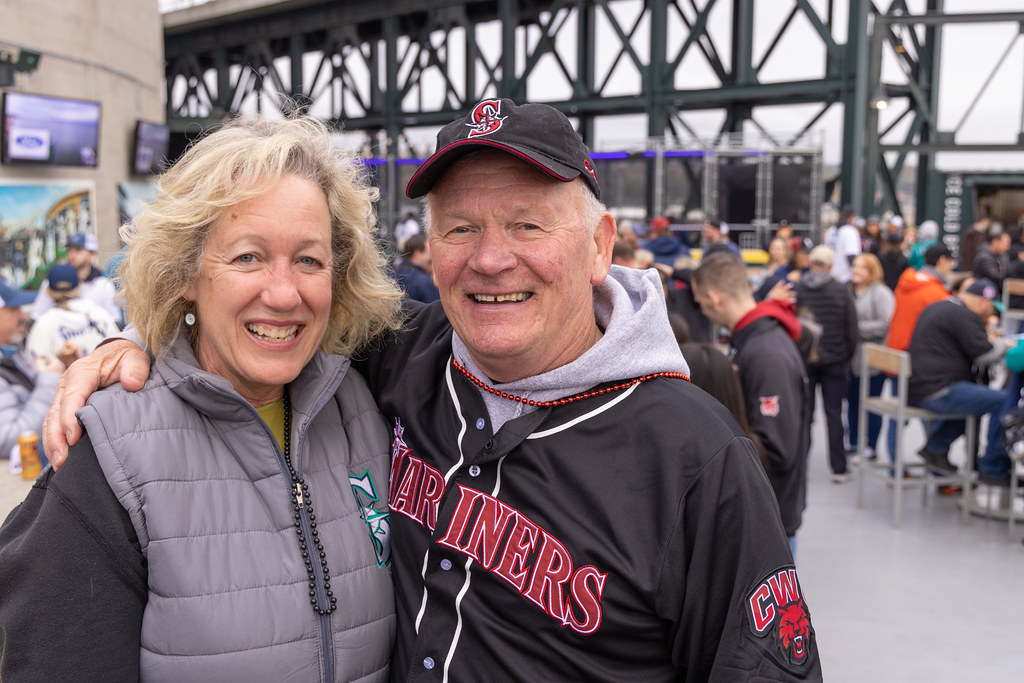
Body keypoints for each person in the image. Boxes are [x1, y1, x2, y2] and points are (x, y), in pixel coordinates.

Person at [43, 99, 821, 680]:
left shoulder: (695, 456)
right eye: (459, 228)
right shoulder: (402, 355)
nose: (491, 258)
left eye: (527, 224)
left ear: (599, 245)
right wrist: (140, 344)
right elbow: (264, 313)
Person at [0, 115, 401, 681]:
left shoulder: (368, 402)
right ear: (186, 272)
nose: (284, 293)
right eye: (248, 257)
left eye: (309, 260)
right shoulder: (108, 457)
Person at [691, 252, 811, 555]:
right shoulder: (751, 342)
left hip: (768, 520)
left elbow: (776, 449)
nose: (703, 311)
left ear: (715, 298)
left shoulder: (766, 354)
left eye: (701, 303)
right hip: (758, 512)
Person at [908, 278, 1015, 485]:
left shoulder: (942, 306)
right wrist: (1005, 344)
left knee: (977, 400)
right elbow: (984, 354)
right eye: (991, 307)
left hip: (920, 386)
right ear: (983, 302)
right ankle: (992, 467)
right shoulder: (963, 315)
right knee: (1004, 401)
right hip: (939, 389)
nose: (991, 313)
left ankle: (936, 448)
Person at [794, 245, 858, 482]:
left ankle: (800, 467)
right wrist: (847, 354)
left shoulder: (799, 288)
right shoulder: (841, 290)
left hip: (806, 359)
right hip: (836, 359)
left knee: (805, 415)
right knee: (834, 413)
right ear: (831, 266)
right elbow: (852, 327)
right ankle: (839, 468)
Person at [0, 280, 67, 470]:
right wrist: (50, 379)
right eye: (14, 310)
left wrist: (64, 366)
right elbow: (8, 439)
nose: (23, 315)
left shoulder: (12, 351)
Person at [846, 254, 894, 461]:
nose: (855, 270)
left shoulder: (881, 293)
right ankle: (854, 442)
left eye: (861, 267)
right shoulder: (848, 291)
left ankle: (871, 445)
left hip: (873, 360)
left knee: (872, 404)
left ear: (872, 271)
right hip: (851, 359)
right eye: (854, 266)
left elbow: (885, 323)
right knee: (852, 403)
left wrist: (854, 329)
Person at [25, 264, 120, 362]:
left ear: (48, 291)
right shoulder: (100, 314)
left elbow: (33, 363)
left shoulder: (44, 323)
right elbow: (119, 351)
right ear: (80, 287)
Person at [31, 231, 120, 324]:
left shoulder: (103, 285)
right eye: (70, 249)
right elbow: (36, 317)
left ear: (92, 255)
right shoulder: (53, 281)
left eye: (78, 249)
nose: (72, 254)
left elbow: (114, 321)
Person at [392, 233, 440, 303]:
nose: (430, 257)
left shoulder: (392, 275)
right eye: (428, 253)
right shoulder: (423, 281)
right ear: (417, 254)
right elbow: (437, 307)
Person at [830, 207, 862, 283]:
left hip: (831, 276)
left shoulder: (831, 231)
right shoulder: (849, 231)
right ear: (851, 217)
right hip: (846, 277)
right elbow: (851, 256)